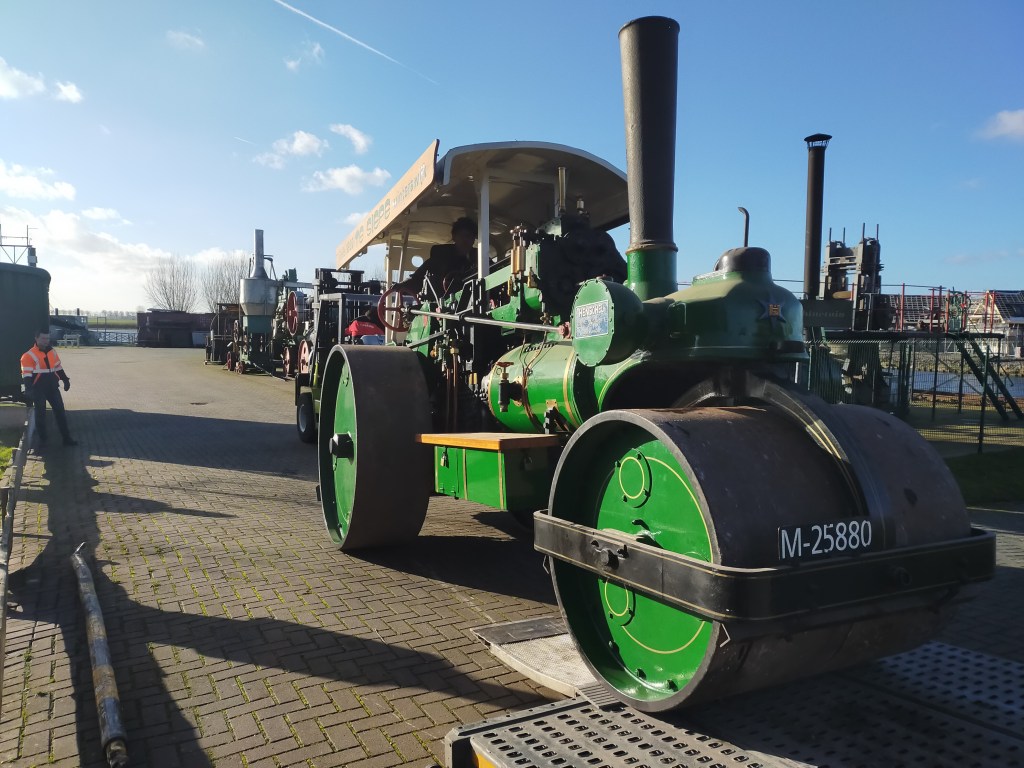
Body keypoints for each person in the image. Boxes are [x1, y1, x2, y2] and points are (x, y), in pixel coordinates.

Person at [20, 329, 78, 447]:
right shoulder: (28, 356)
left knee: (60, 413)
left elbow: (58, 367)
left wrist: (65, 379)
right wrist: (29, 389)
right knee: (40, 415)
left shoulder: (52, 352)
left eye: (47, 338)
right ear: (36, 338)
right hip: (38, 389)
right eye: (43, 338)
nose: (46, 341)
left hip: (52, 388)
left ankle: (66, 438)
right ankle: (43, 440)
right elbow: (26, 375)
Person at [397, 216, 477, 296]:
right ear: (454, 237)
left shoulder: (480, 261)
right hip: (439, 304)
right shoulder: (439, 258)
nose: (465, 240)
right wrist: (401, 286)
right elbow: (417, 278)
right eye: (462, 235)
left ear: (474, 239)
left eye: (469, 236)